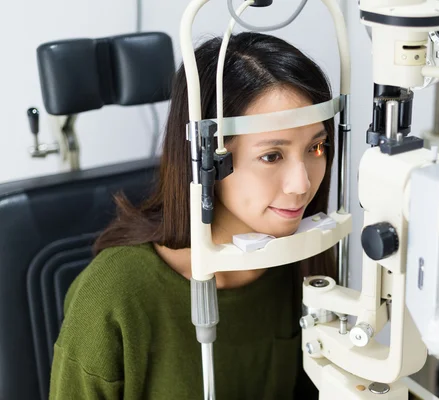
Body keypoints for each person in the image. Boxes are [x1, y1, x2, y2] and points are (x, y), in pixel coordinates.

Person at [49, 32, 337, 400]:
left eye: (316, 147)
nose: (301, 184)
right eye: (272, 156)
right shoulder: (112, 296)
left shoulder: (302, 260)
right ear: (207, 159)